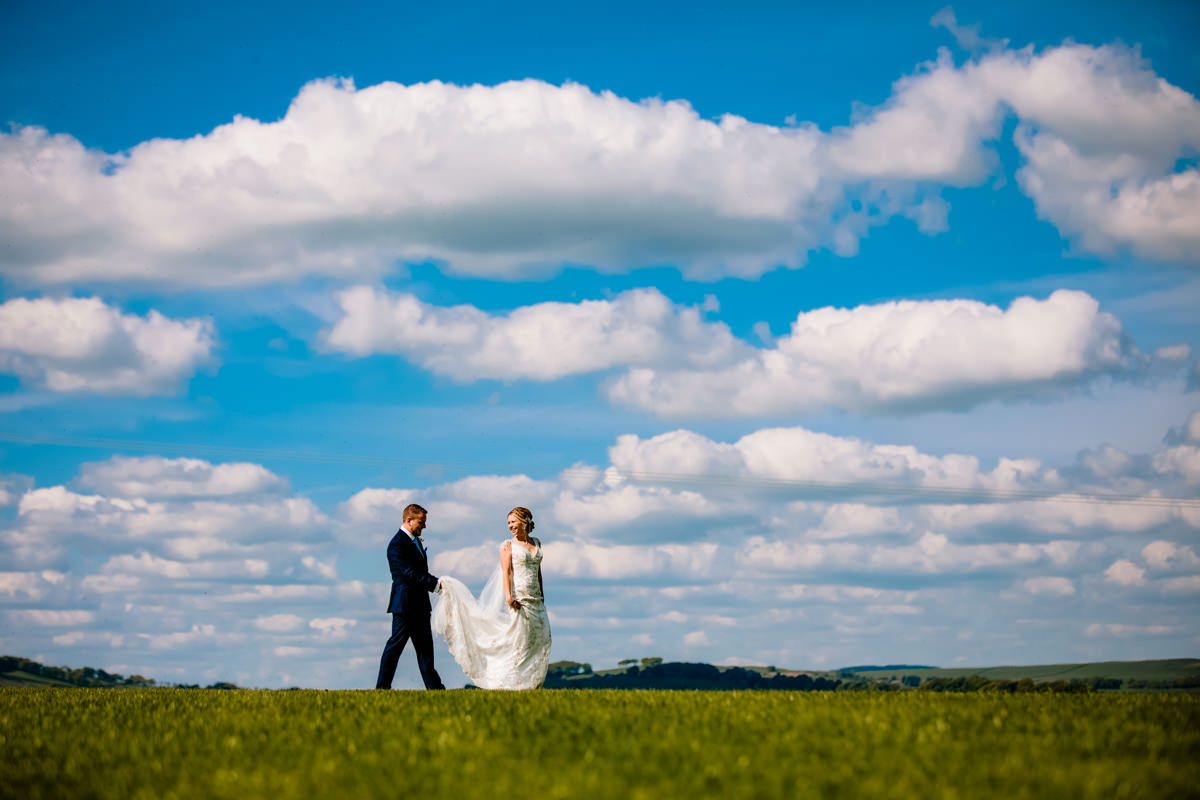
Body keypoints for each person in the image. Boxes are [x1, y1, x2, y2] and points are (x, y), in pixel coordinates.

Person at [432, 506, 551, 690]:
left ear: (524, 521)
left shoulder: (537, 542)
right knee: (522, 641)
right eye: (508, 523)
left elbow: (538, 571)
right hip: (520, 599)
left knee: (542, 638)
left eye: (513, 521)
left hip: (536, 599)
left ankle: (534, 683)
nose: (510, 526)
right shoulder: (508, 546)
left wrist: (542, 594)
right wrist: (509, 596)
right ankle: (515, 683)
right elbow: (507, 572)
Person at [376, 503, 445, 690]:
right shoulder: (397, 544)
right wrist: (434, 583)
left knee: (425, 651)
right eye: (421, 522)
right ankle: (382, 687)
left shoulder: (414, 541)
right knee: (395, 647)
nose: (424, 526)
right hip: (405, 605)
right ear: (409, 520)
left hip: (421, 605)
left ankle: (436, 689)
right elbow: (407, 572)